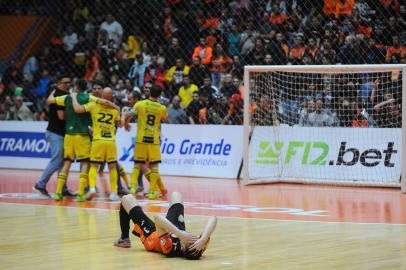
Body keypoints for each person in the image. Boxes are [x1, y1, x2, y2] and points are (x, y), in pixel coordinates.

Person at [47, 79, 117, 201]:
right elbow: (102, 101)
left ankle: (58, 193)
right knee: (85, 164)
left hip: (69, 135)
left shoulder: (67, 97)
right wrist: (116, 107)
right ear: (86, 88)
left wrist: (54, 92)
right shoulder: (88, 98)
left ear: (75, 87)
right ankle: (81, 193)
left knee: (67, 163)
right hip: (82, 136)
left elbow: (50, 100)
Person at [114, 191, 217, 260]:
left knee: (126, 198)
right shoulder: (197, 247)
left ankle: (124, 238)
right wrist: (203, 239)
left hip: (152, 235)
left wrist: (179, 233)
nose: (192, 237)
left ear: (182, 246)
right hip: (175, 229)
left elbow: (157, 218)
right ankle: (177, 230)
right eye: (194, 240)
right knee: (176, 195)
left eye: (187, 241)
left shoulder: (169, 247)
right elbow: (214, 218)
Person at [71, 87, 122, 201]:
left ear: (102, 96)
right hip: (110, 141)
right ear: (111, 97)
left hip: (98, 140)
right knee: (112, 167)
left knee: (94, 166)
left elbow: (78, 109)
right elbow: (119, 125)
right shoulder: (114, 110)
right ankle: (113, 193)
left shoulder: (93, 105)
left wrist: (74, 97)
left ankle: (92, 188)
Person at [122, 85, 168, 199]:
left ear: (149, 92)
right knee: (154, 167)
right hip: (153, 140)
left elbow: (128, 115)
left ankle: (132, 188)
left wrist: (126, 123)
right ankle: (152, 192)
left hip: (141, 139)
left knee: (137, 164)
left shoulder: (140, 104)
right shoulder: (162, 107)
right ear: (160, 95)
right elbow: (165, 118)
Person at [33, 75, 71, 197]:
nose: (68, 84)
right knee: (57, 161)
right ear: (59, 83)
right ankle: (40, 185)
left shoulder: (59, 93)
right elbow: (61, 116)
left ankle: (63, 189)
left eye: (69, 82)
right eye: (65, 82)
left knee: (62, 162)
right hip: (56, 133)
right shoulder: (59, 95)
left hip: (58, 133)